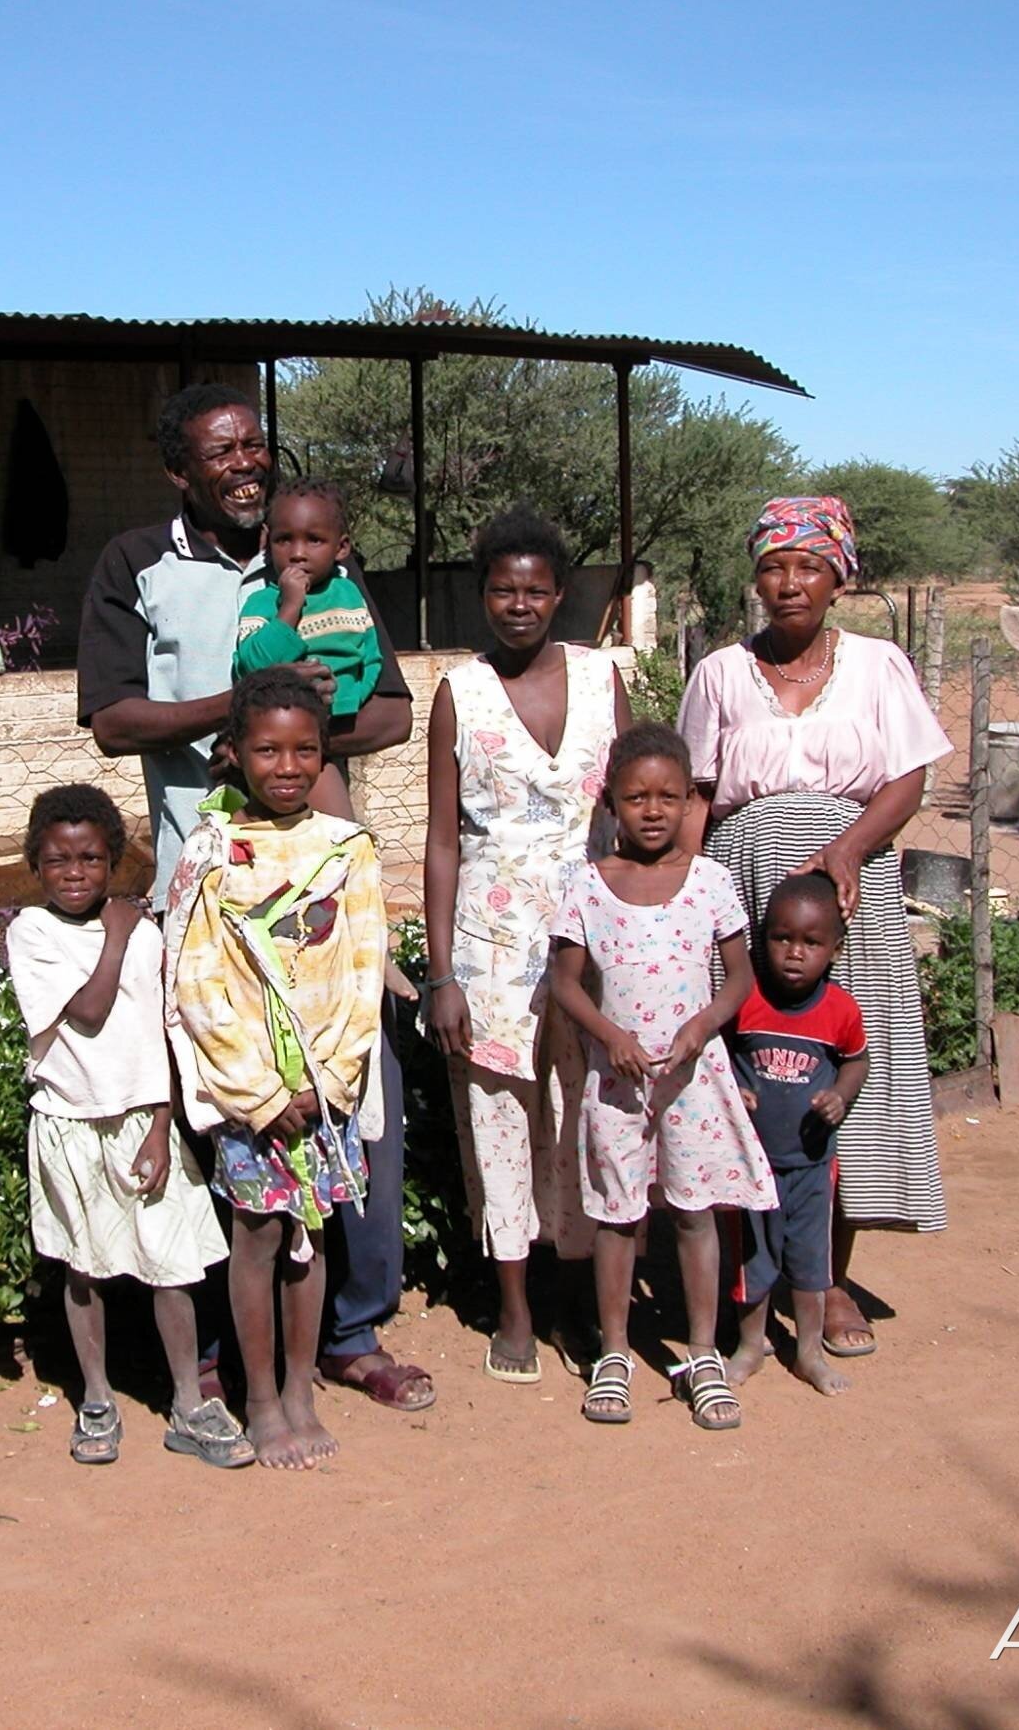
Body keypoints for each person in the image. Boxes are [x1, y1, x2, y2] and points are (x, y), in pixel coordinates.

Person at [79, 381, 432, 1414]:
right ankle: (217, 1355)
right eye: (220, 451)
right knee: (219, 1113)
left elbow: (395, 710)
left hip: (324, 893)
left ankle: (351, 1332)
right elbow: (110, 718)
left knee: (357, 1105)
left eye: (255, 447)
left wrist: (299, 739)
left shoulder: (317, 549)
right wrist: (238, 714)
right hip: (211, 893)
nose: (245, 465)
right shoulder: (135, 564)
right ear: (178, 470)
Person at [679, 494, 951, 1358]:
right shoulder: (721, 672)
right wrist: (683, 900)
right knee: (757, 1074)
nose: (788, 582)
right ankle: (748, 1276)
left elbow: (908, 777)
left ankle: (825, 1285)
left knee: (840, 1074)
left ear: (840, 576)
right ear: (754, 577)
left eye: (808, 565)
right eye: (772, 565)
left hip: (850, 893)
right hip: (746, 884)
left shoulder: (878, 665)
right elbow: (694, 794)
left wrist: (846, 849)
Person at [162, 672, 388, 1469]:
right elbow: (196, 981)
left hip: (323, 1098)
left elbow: (365, 971)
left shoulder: (346, 850)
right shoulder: (209, 852)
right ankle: (257, 1394)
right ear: (234, 753)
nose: (286, 765)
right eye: (267, 748)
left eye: (304, 749)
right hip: (251, 1101)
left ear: (324, 754)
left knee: (312, 1237)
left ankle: (302, 1387)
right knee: (255, 1240)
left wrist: (326, 1081)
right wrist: (261, 1093)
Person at [421, 507, 624, 1383]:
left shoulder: (602, 676)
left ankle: (580, 1292)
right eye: (502, 588)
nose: (519, 603)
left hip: (589, 939)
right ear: (481, 594)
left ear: (561, 594)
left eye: (536, 588)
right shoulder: (457, 694)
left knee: (584, 1111)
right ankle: (514, 1301)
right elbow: (440, 839)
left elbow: (627, 809)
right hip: (490, 944)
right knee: (500, 1117)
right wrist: (439, 974)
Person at [4, 785, 253, 1470]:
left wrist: (163, 1118)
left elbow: (160, 1030)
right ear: (35, 863)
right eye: (58, 859)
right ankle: (95, 1396)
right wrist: (115, 932)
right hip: (71, 1124)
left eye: (91, 857)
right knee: (83, 1270)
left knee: (170, 1267)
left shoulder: (145, 934)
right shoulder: (32, 931)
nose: (75, 872)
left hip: (144, 1122)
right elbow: (86, 1011)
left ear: (114, 860)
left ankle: (187, 1403)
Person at [548, 724, 773, 1430]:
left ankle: (702, 1351)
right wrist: (607, 1034)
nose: (652, 809)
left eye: (668, 796)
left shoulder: (711, 882)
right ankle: (614, 1349)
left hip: (692, 1077)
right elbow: (564, 980)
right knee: (617, 1215)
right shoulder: (589, 885)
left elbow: (740, 976)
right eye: (636, 796)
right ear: (610, 801)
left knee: (696, 1210)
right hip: (617, 1083)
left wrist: (703, 1026)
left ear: (690, 802)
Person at [725, 872, 869, 1399]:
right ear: (764, 939)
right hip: (754, 1167)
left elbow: (857, 1060)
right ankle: (749, 1345)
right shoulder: (747, 1002)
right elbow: (722, 1055)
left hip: (811, 1165)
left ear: (834, 949)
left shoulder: (840, 1009)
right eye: (782, 938)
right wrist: (737, 1087)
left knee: (811, 1262)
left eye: (810, 942)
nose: (794, 953)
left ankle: (808, 1352)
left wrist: (842, 1096)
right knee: (754, 1262)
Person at [232, 473, 381, 820]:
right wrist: (289, 609)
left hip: (330, 739)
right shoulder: (262, 603)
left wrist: (347, 698)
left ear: (341, 547)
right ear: (267, 543)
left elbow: (370, 657)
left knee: (334, 841)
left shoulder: (349, 596)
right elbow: (250, 666)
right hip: (272, 745)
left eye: (314, 540)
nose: (298, 554)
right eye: (285, 540)